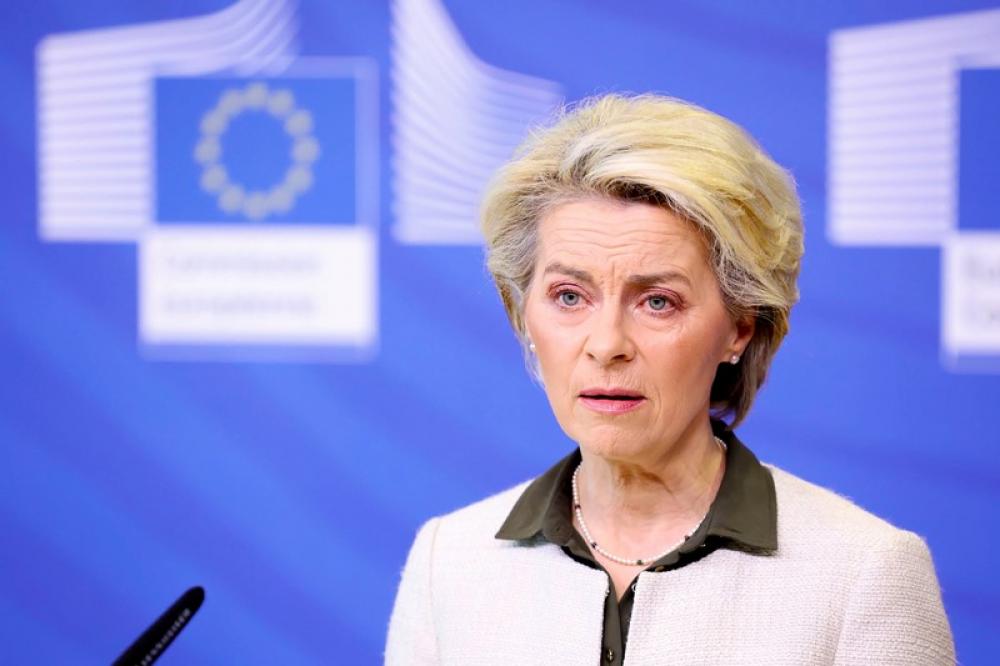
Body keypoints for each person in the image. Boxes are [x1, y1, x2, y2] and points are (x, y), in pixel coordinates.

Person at [385, 93, 955, 665]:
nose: (606, 344)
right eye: (569, 296)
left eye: (658, 301)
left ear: (740, 327)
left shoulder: (863, 572)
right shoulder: (448, 562)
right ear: (523, 314)